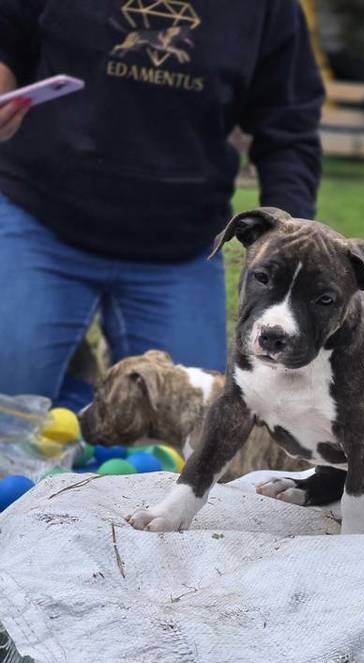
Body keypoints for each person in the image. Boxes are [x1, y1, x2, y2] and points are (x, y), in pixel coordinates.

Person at [0, 0, 324, 409]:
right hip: (41, 220)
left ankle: (75, 387)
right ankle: (71, 381)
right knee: (9, 411)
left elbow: (289, 127)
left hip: (180, 247)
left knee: (190, 425)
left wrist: (288, 238)